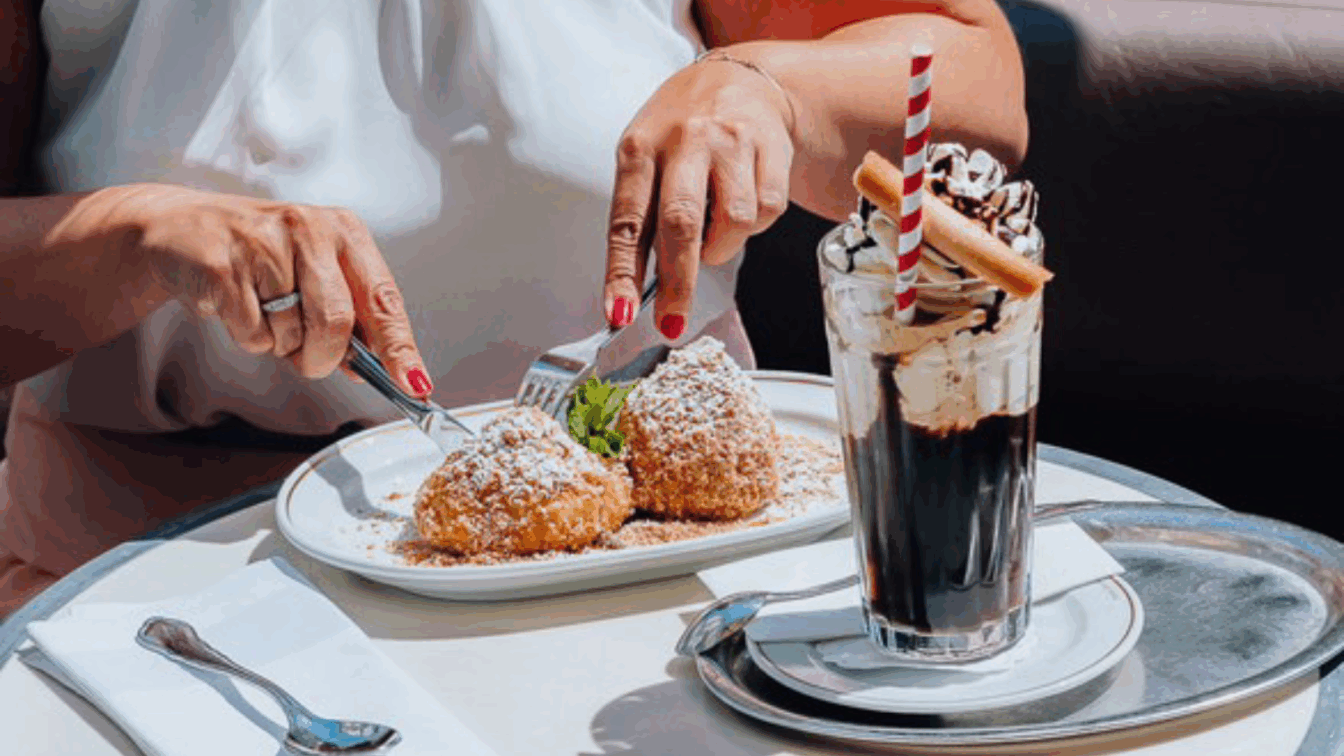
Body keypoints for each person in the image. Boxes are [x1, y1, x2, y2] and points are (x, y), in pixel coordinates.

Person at [0, 0, 1027, 616]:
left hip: (669, 570)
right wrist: (132, 235)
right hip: (150, 593)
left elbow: (979, 91)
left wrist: (770, 84)